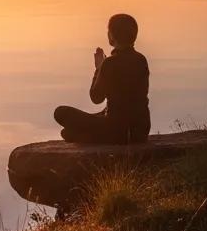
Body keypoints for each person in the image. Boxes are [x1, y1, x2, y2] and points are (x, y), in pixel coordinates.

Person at [53, 13, 150, 144]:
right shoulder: (141, 60)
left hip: (115, 131)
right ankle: (85, 135)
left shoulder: (110, 63)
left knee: (60, 113)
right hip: (140, 130)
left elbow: (96, 98)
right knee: (70, 131)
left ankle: (87, 137)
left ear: (111, 36)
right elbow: (130, 101)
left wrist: (98, 68)